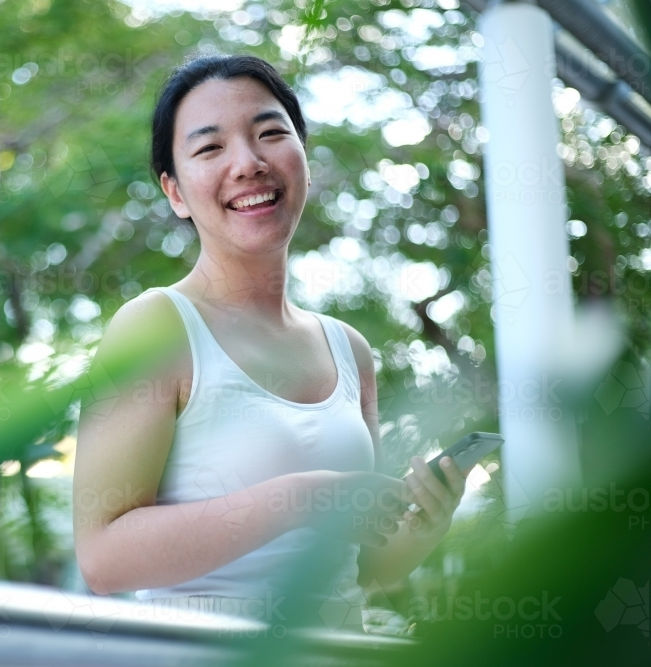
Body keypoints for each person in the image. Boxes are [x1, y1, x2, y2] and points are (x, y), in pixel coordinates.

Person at [72, 55, 467, 632]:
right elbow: (103, 561)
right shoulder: (155, 327)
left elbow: (368, 568)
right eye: (210, 149)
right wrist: (305, 497)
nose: (248, 163)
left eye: (271, 134)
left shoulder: (348, 348)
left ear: (303, 158)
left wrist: (423, 526)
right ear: (176, 192)